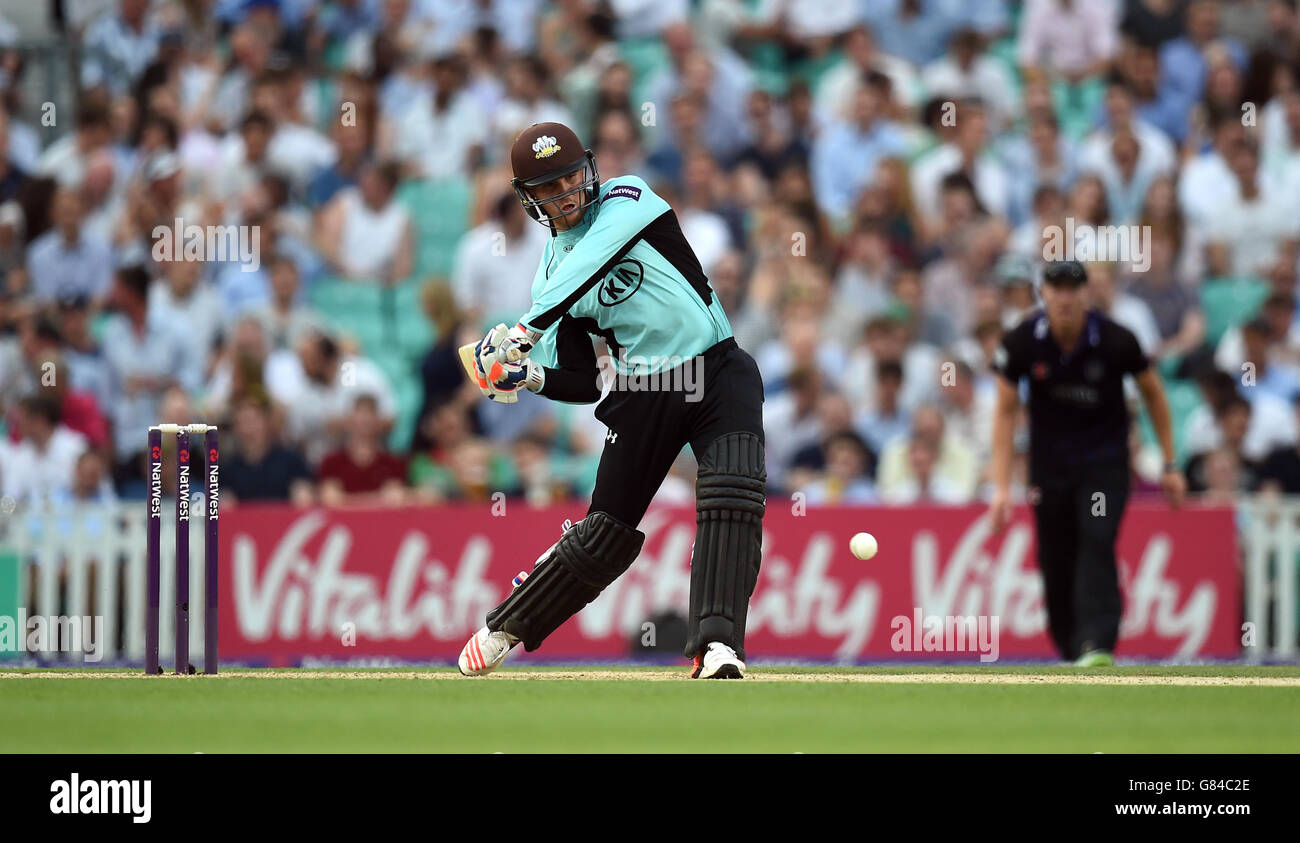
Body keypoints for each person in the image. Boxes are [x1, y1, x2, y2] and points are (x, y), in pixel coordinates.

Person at [457, 121, 766, 679]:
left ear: (590, 171)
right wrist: (526, 376)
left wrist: (525, 330)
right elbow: (579, 377)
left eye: (571, 178)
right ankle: (508, 622)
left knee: (732, 495)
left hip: (718, 367)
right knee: (606, 535)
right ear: (530, 201)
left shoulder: (629, 197)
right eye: (548, 189)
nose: (567, 194)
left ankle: (717, 646)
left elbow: (593, 257)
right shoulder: (549, 278)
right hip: (648, 390)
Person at [988, 259, 1186, 666]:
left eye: (1073, 288)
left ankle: (1097, 643)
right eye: (1056, 288)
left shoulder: (1115, 340)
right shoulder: (1023, 342)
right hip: (1049, 468)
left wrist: (1169, 464)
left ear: (1086, 293)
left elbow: (1153, 394)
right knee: (1054, 556)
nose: (1064, 297)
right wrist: (1001, 488)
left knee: (1096, 538)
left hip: (1104, 462)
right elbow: (1005, 411)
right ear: (1043, 293)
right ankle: (1070, 646)